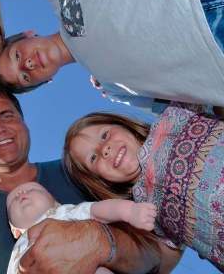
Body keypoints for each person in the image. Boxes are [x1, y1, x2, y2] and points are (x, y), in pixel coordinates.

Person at [0, 81, 160, 274]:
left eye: (7, 115)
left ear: (25, 125)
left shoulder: (83, 171)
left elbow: (154, 253)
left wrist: (98, 242)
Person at [0, 0, 224, 114]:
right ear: (47, 81)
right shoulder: (115, 89)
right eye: (25, 77)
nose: (26, 64)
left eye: (16, 56)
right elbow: (188, 112)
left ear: (27, 34)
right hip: (215, 48)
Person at [64, 104, 224, 271]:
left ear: (125, 127)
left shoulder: (173, 117)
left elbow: (212, 92)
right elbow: (161, 264)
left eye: (104, 135)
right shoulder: (144, 210)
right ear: (103, 181)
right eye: (93, 157)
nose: (105, 149)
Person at [6, 182, 157, 274]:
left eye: (32, 189)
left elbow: (98, 210)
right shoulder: (15, 253)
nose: (21, 193)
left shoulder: (63, 212)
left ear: (56, 203)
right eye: (13, 199)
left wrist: (129, 211)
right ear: (15, 231)